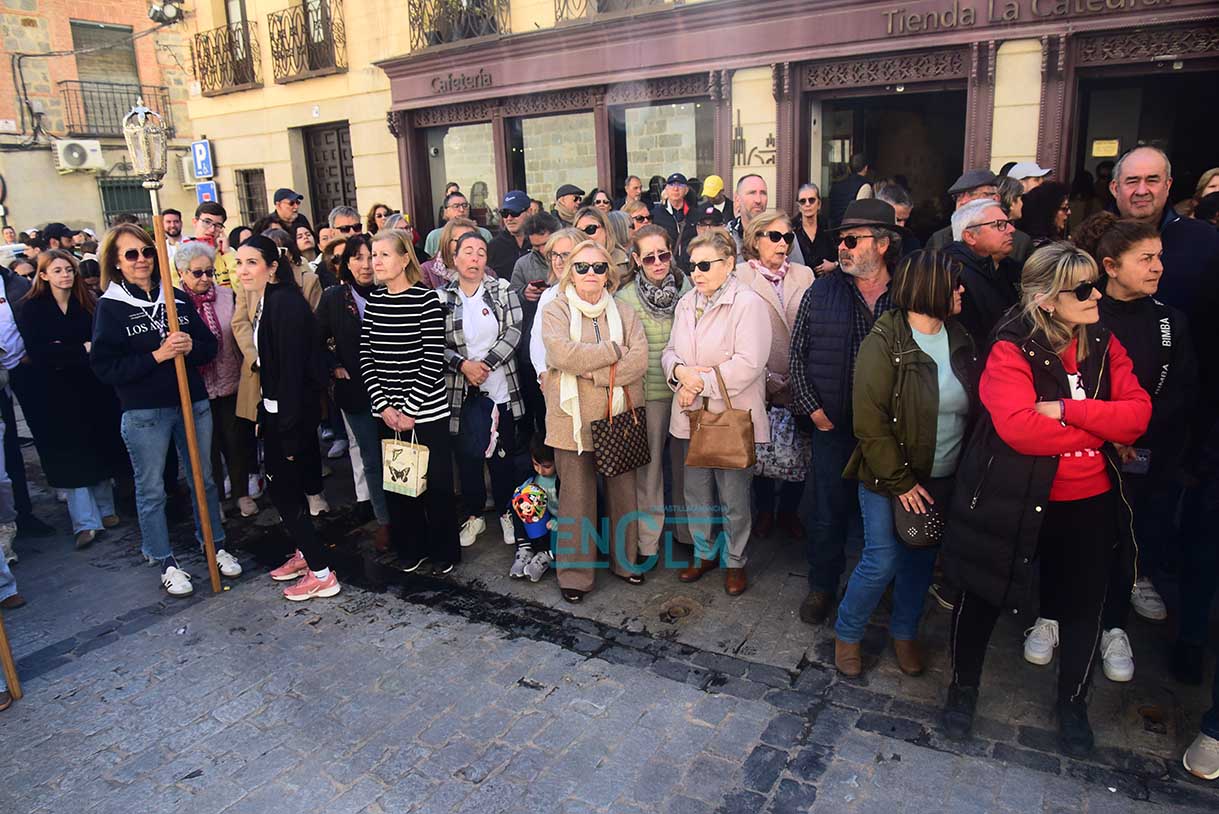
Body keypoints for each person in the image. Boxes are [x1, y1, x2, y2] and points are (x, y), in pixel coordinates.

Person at [941, 242, 1151, 756]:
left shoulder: (1103, 340)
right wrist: (1102, 429)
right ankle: (963, 689)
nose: (1096, 295)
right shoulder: (1011, 346)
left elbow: (1138, 415)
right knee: (982, 593)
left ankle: (1073, 702)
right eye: (1083, 289)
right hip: (1013, 492)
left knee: (1083, 604)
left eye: (1094, 284)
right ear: (1046, 300)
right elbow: (1019, 429)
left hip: (1090, 499)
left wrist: (1065, 410)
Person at [834, 250, 976, 678]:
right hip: (887, 475)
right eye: (954, 283)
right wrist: (901, 482)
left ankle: (905, 633)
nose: (961, 290)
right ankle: (848, 632)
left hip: (943, 475)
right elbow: (869, 423)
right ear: (930, 288)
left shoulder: (960, 337)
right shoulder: (884, 342)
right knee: (882, 560)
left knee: (920, 561)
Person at [1068, 213, 1196, 680]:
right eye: (1145, 258)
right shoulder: (1083, 313)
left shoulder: (1169, 321)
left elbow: (1181, 391)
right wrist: (1107, 432)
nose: (1157, 267)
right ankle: (1055, 614)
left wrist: (1135, 433)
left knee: (1129, 536)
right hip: (1083, 451)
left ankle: (1114, 625)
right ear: (1111, 266)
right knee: (1077, 539)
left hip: (1143, 454)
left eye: (1159, 257)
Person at [90, 224, 241, 596]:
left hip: (193, 401)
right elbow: (105, 368)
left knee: (204, 479)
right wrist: (156, 356)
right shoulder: (110, 306)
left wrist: (191, 347)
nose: (141, 259)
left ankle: (214, 544)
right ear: (116, 262)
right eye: (131, 254)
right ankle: (164, 560)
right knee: (153, 488)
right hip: (145, 412)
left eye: (146, 251)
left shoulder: (174, 296)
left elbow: (208, 347)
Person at [790, 199, 904, 624]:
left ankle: (886, 586)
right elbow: (797, 355)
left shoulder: (906, 294)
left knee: (890, 514)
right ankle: (822, 585)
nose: (842, 247)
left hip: (891, 431)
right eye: (841, 239)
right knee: (827, 512)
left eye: (852, 240)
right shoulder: (822, 291)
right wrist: (813, 410)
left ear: (883, 244)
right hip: (834, 426)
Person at [662, 227, 771, 595]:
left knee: (733, 497)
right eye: (692, 265)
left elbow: (750, 363)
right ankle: (704, 552)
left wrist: (697, 383)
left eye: (705, 265)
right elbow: (669, 352)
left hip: (729, 415)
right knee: (695, 492)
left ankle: (735, 560)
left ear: (729, 264)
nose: (697, 272)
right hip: (691, 414)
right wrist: (680, 374)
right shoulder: (686, 302)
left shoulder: (748, 304)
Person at [540, 239, 647, 603]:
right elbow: (562, 354)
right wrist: (613, 352)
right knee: (576, 499)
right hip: (571, 421)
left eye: (599, 267)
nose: (590, 273)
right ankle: (575, 575)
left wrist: (596, 374)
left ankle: (626, 562)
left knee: (623, 496)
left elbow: (639, 361)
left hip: (618, 417)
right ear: (570, 272)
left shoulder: (624, 312)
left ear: (608, 274)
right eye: (582, 266)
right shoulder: (555, 310)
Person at [235, 236, 337, 601]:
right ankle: (305, 553)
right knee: (285, 491)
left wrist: (288, 429)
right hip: (279, 414)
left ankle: (321, 573)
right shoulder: (269, 299)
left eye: (251, 262)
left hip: (292, 418)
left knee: (285, 492)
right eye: (239, 262)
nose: (243, 270)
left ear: (272, 266)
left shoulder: (285, 304)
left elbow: (293, 374)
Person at [361, 229, 460, 574]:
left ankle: (443, 551)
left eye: (383, 254)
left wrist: (410, 408)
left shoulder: (427, 300)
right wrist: (384, 406)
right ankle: (410, 548)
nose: (375, 261)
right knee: (398, 484)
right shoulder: (375, 301)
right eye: (373, 255)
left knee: (436, 485)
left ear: (405, 259)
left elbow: (432, 360)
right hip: (386, 413)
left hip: (426, 412)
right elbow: (366, 357)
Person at [17, 251, 124, 548]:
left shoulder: (88, 302)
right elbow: (39, 352)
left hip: (92, 387)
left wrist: (65, 349)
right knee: (72, 454)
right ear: (43, 275)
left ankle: (106, 509)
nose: (65, 275)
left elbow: (99, 344)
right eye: (57, 270)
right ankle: (85, 522)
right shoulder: (32, 308)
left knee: (98, 443)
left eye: (68, 269)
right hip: (55, 392)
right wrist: (79, 349)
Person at [438, 232, 527, 551]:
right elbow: (435, 342)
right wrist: (464, 365)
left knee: (502, 455)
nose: (474, 258)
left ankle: (505, 512)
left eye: (480, 252)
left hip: (500, 386)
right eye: (468, 252)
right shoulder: (441, 297)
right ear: (455, 258)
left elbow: (514, 331)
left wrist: (485, 365)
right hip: (461, 390)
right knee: (468, 456)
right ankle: (474, 514)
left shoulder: (502, 290)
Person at [616, 224, 692, 561]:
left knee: (688, 470)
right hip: (648, 394)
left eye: (663, 255)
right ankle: (648, 542)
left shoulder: (688, 287)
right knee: (649, 474)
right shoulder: (625, 298)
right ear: (636, 259)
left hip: (685, 391)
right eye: (649, 258)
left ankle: (688, 535)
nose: (658, 263)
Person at [736, 210, 814, 539]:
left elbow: (814, 327)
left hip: (800, 379)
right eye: (775, 236)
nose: (783, 244)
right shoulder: (739, 276)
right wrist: (765, 377)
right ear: (756, 240)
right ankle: (766, 511)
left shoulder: (805, 275)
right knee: (762, 449)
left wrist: (801, 375)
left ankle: (790, 512)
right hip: (758, 379)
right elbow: (734, 335)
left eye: (788, 237)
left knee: (800, 448)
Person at [317, 235, 389, 548]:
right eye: (358, 257)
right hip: (356, 390)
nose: (366, 265)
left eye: (372, 256)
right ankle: (384, 520)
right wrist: (333, 365)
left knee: (398, 455)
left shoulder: (390, 291)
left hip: (393, 389)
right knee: (371, 456)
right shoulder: (334, 297)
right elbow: (316, 339)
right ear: (347, 263)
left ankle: (407, 515)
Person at [0, 253, 55, 539]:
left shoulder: (15, 283)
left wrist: (32, 352)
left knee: (41, 431)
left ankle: (33, 506)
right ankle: (14, 516)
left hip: (25, 367)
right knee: (7, 447)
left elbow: (37, 321)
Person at [944, 199, 1020, 350]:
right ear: (970, 236)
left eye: (1008, 223)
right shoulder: (952, 274)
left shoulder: (1011, 268)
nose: (1011, 229)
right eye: (999, 225)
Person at [509, 436, 560, 581]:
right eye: (536, 464)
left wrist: (560, 520)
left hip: (559, 520)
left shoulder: (561, 479)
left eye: (546, 466)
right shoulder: (534, 476)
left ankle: (546, 556)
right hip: (541, 517)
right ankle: (524, 548)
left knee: (557, 534)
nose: (540, 470)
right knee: (520, 504)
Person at [926, 170, 1001, 249]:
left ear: (995, 199)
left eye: (972, 194)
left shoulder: (1007, 236)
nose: (963, 202)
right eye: (958, 196)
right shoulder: (939, 240)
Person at [424, 192, 491, 257]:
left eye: (465, 205)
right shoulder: (434, 236)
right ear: (446, 211)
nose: (462, 210)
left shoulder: (484, 234)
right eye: (456, 206)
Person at [420, 216, 479, 290]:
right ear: (447, 242)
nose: (467, 246)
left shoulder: (485, 271)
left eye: (471, 241)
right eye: (460, 240)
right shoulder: (426, 271)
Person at [573, 206, 630, 281]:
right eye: (579, 232)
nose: (585, 236)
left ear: (606, 230)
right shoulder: (571, 261)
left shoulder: (620, 261)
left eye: (591, 229)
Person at [487, 190, 532, 281]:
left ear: (529, 212)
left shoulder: (540, 241)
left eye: (515, 212)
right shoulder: (494, 246)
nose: (509, 218)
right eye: (505, 213)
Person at [794, 183, 836, 274]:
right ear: (799, 207)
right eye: (803, 201)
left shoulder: (830, 226)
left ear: (819, 204)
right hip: (800, 280)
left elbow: (843, 254)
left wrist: (834, 265)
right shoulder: (791, 229)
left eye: (811, 200)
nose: (807, 204)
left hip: (828, 279)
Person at [827, 154, 873, 228]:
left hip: (833, 228)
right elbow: (861, 214)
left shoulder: (836, 184)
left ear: (849, 168)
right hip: (850, 229)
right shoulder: (865, 186)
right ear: (866, 168)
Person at [651, 173, 692, 248]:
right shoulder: (656, 214)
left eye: (680, 185)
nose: (675, 189)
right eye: (671, 185)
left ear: (686, 190)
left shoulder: (694, 213)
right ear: (666, 189)